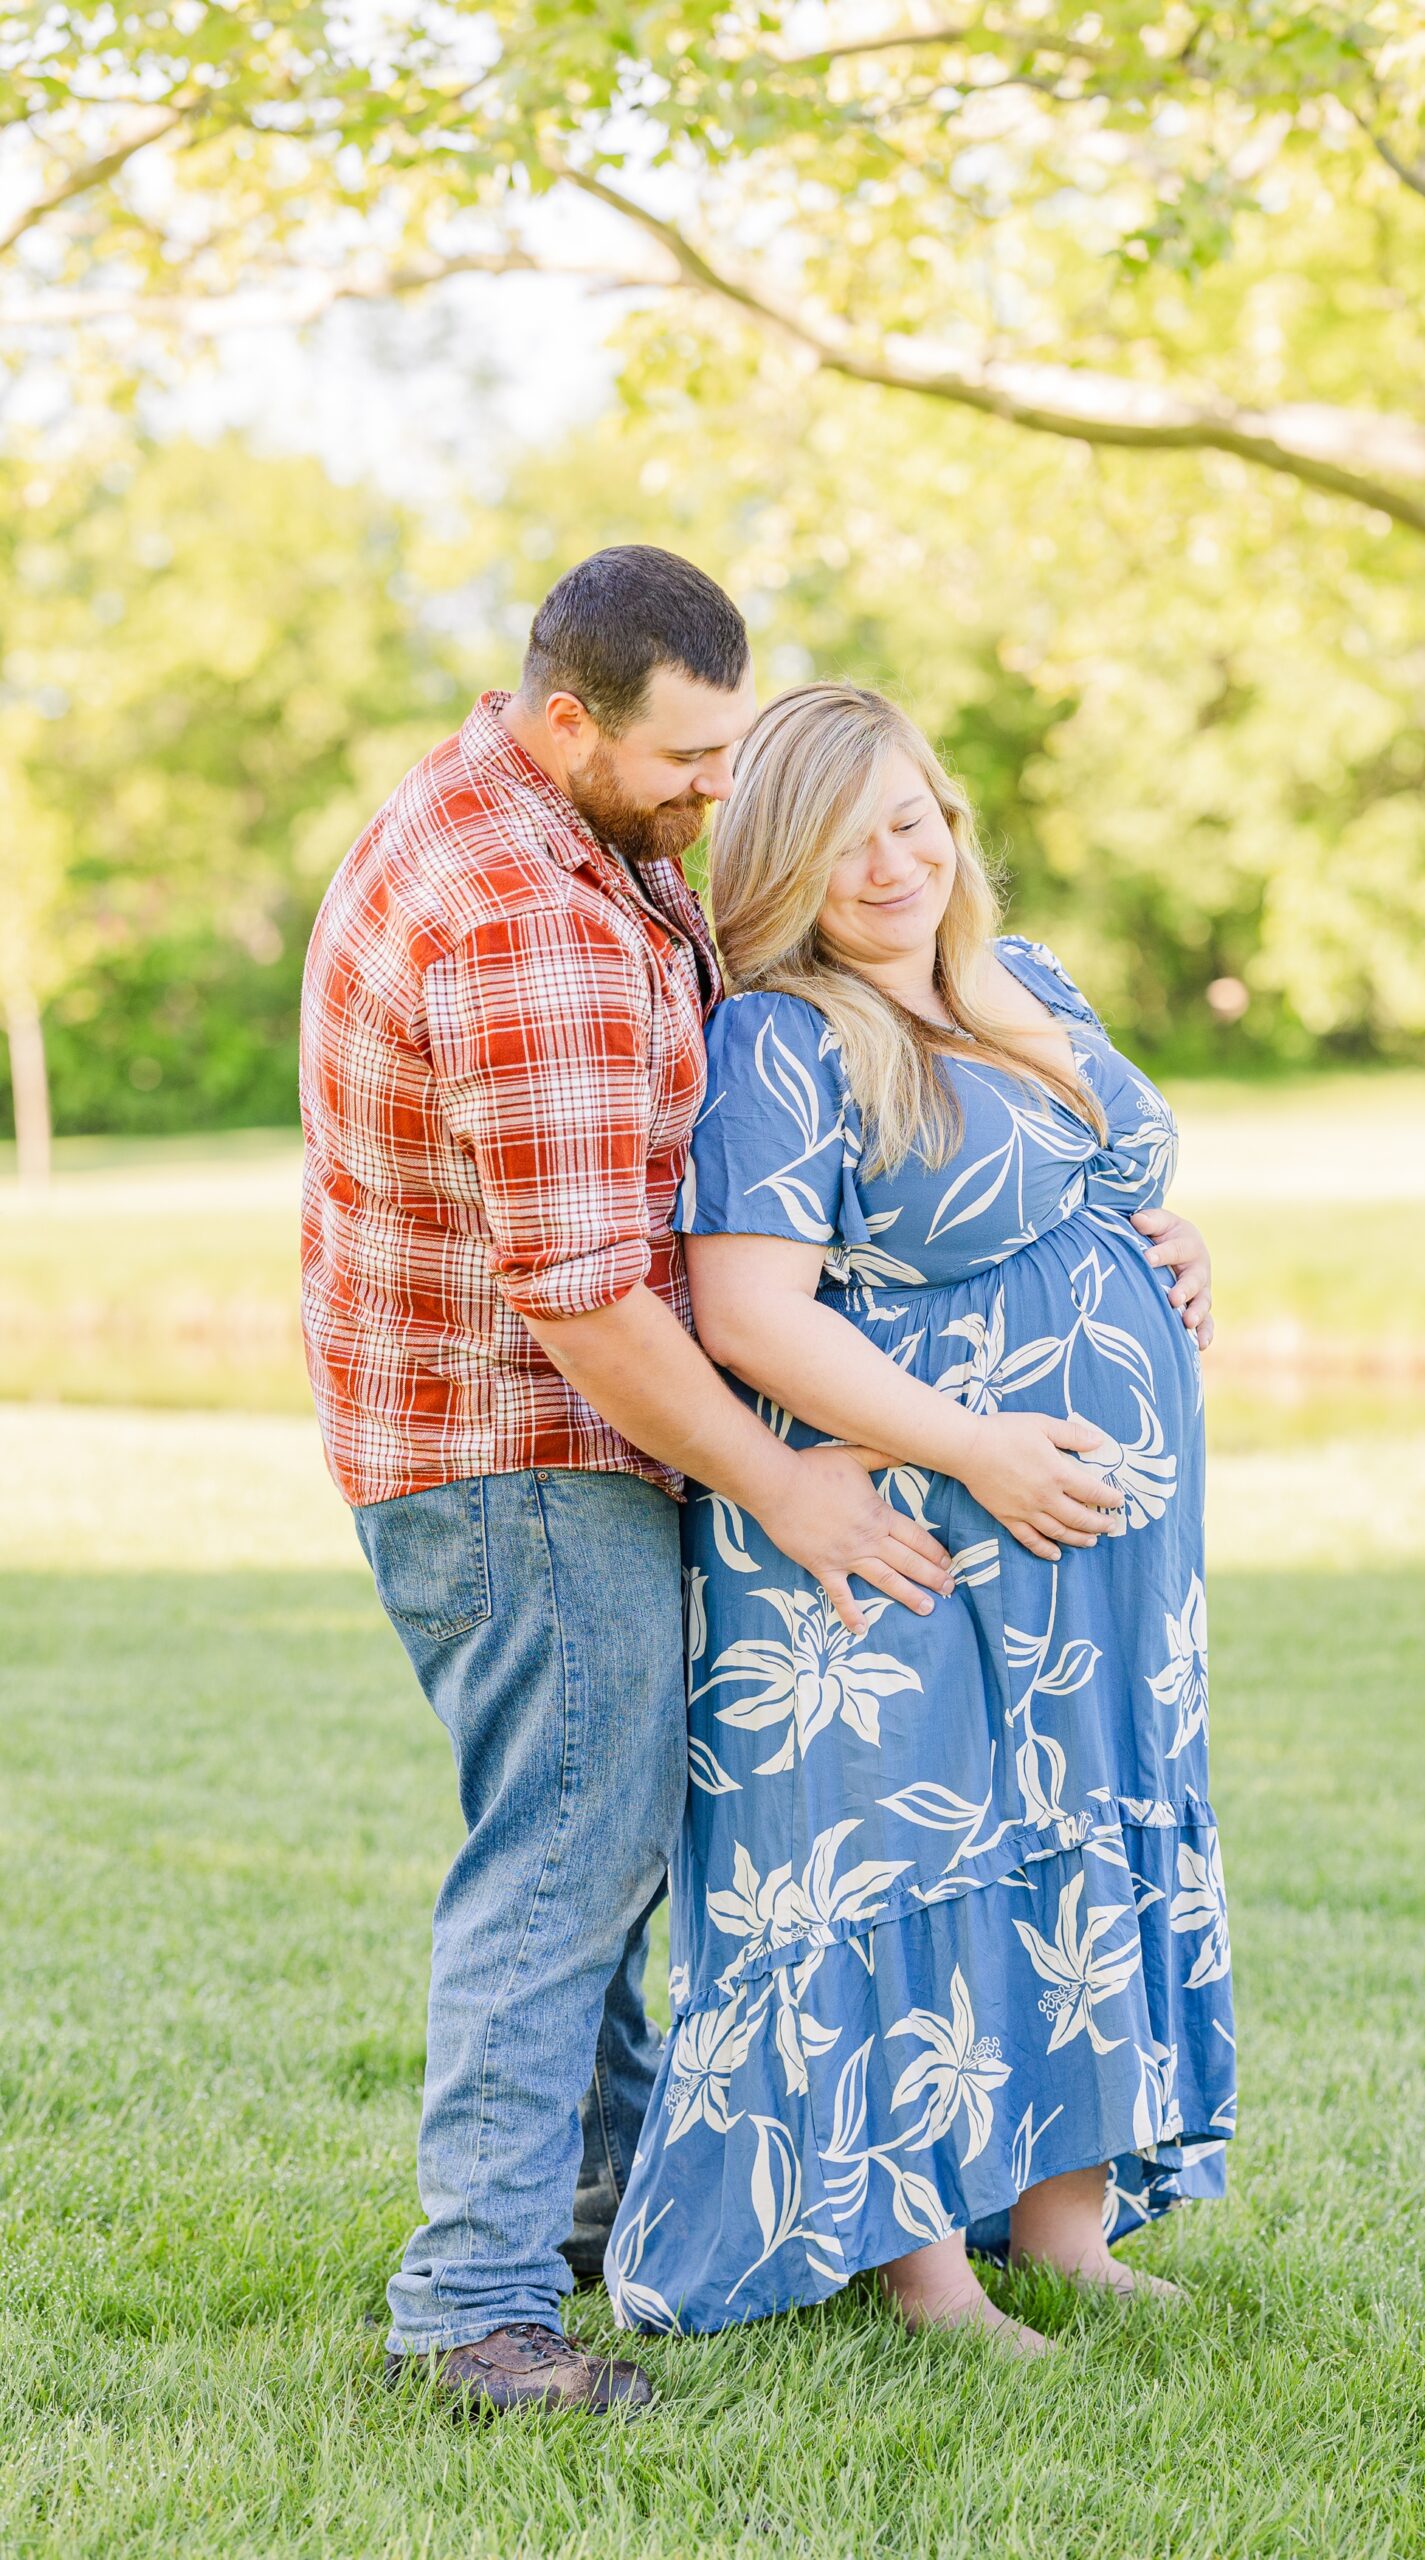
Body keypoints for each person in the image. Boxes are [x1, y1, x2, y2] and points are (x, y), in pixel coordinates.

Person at [299, 555, 969, 2415]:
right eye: (685, 758)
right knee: (568, 1860)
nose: (713, 793)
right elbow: (586, 1299)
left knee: (588, 1849)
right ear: (568, 717)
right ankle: (475, 2311)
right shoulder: (520, 914)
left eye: (728, 748)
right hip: (518, 1453)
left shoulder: (557, 816)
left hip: (503, 1435)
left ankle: (593, 2208)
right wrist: (793, 1491)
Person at [604, 684, 1235, 2352]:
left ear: (950, 817)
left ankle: (1063, 2224)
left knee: (1078, 1823)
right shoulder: (781, 1041)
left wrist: (1165, 1254)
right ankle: (923, 2269)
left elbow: (1101, 1180)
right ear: (777, 868)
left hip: (1094, 1545)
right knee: (915, 1841)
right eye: (837, 839)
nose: (887, 863)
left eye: (909, 818)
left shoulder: (1026, 984)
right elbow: (751, 1313)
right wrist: (979, 1449)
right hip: (906, 1520)